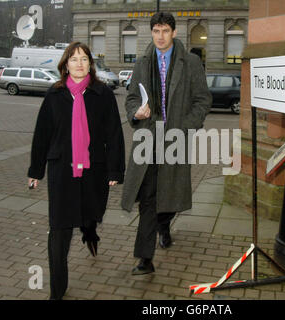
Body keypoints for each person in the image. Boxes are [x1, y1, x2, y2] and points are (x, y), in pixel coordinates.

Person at [27, 42, 125, 300]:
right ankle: (57, 290)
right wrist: (35, 170)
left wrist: (115, 170)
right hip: (62, 170)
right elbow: (42, 135)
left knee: (90, 215)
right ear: (65, 64)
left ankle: (89, 233)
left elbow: (114, 134)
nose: (79, 63)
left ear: (90, 64)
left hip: (94, 170)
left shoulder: (102, 94)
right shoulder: (55, 94)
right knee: (59, 229)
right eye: (74, 59)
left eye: (84, 59)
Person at [121, 12, 212, 275]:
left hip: (176, 137)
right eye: (156, 31)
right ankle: (145, 259)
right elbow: (130, 98)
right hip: (148, 137)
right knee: (148, 197)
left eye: (165, 31)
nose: (160, 36)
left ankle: (164, 224)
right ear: (151, 33)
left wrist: (186, 125)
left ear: (173, 33)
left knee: (170, 195)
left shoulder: (191, 62)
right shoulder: (142, 63)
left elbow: (203, 100)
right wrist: (136, 112)